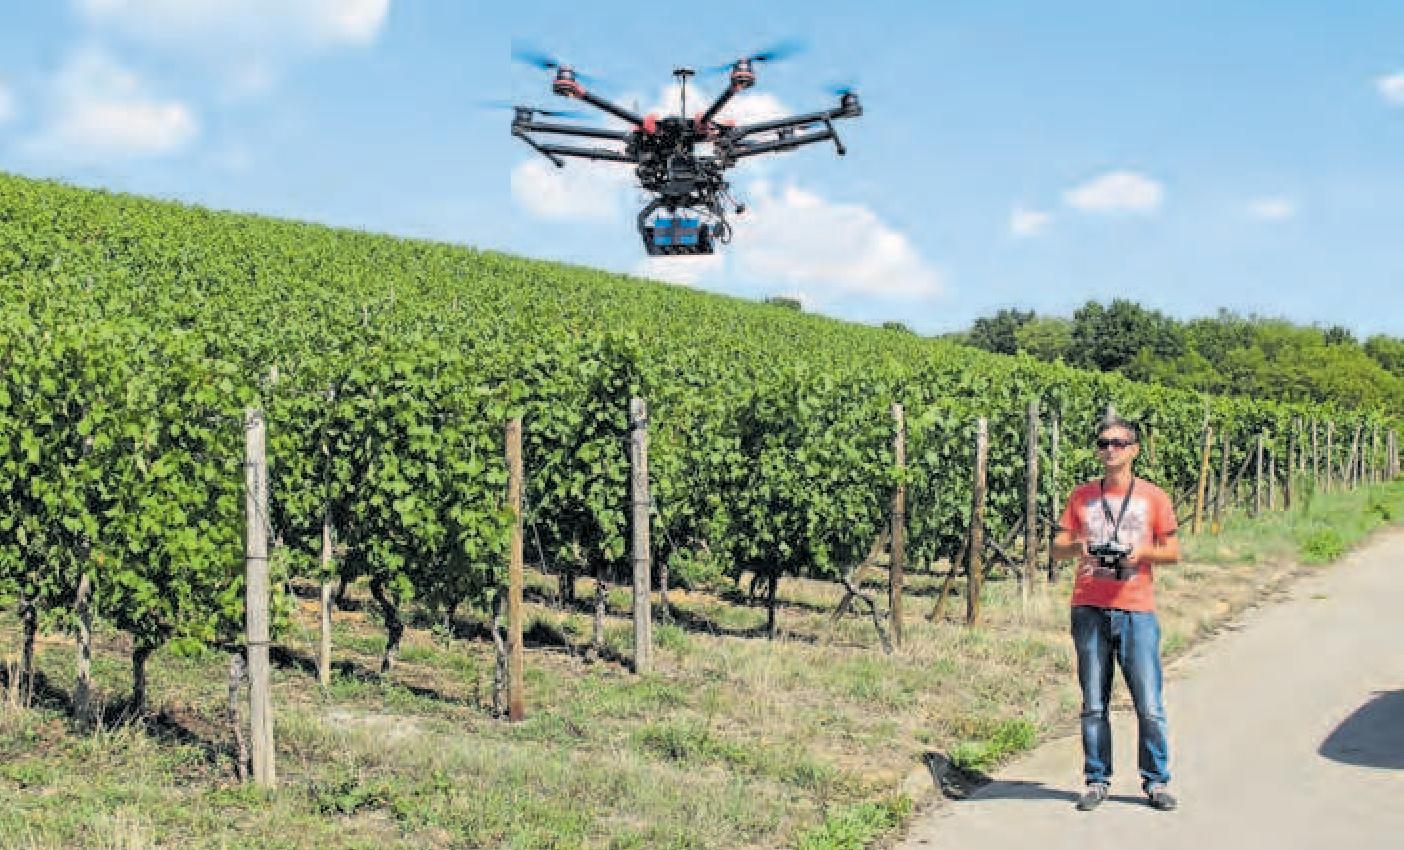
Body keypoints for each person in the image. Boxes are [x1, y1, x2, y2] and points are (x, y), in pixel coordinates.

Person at [1051, 415, 1181, 812]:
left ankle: (1156, 782)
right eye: (1104, 442)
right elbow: (1057, 546)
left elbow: (1173, 552)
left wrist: (1141, 554)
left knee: (1149, 704)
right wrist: (1081, 548)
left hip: (1136, 608)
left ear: (1134, 450)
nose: (1110, 449)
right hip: (1089, 606)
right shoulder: (1082, 496)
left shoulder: (1153, 497)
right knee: (1093, 701)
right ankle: (1096, 779)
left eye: (1119, 443)